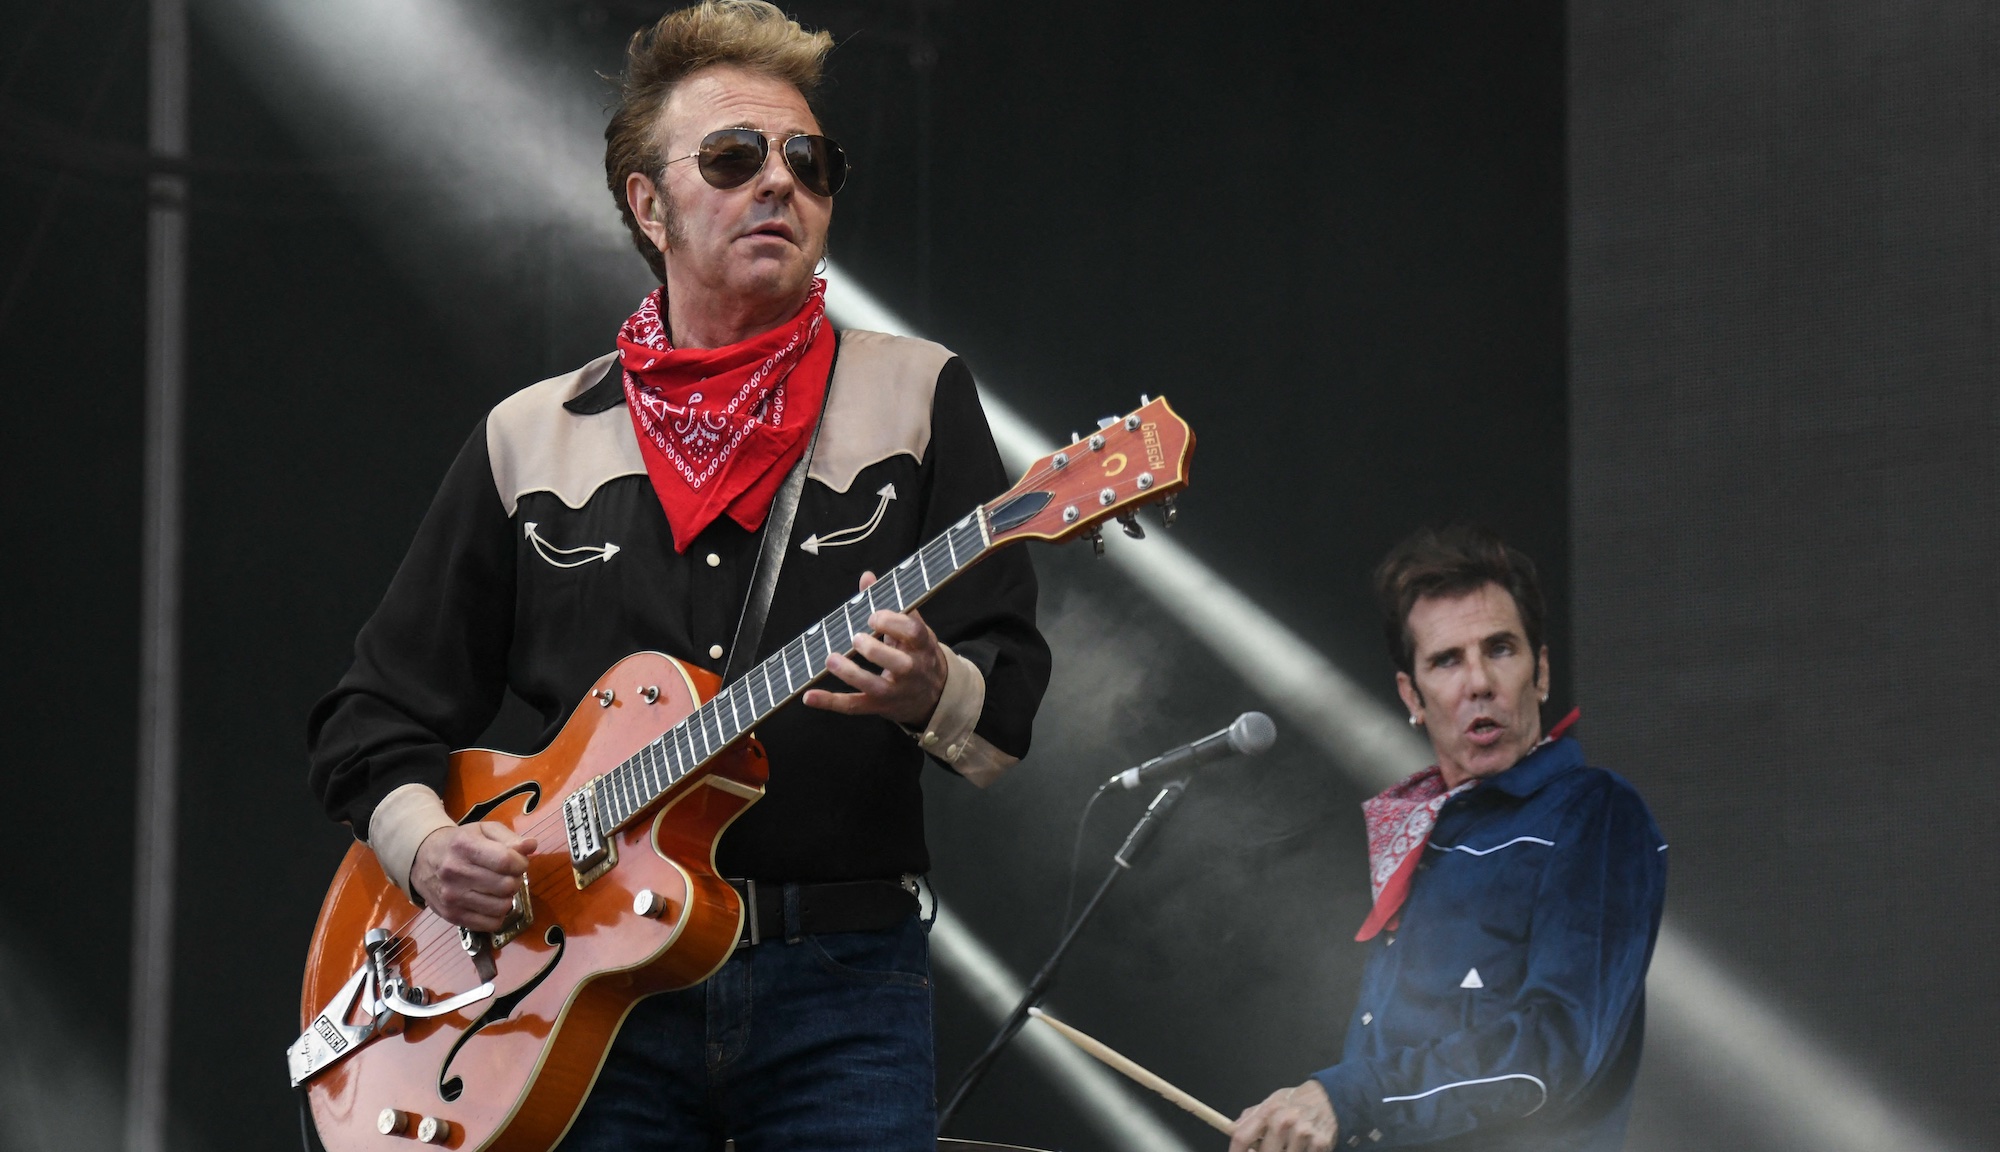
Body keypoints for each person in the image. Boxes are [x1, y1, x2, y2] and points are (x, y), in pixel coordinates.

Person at [304, 3, 1050, 1148]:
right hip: (578, 997)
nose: (780, 182)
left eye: (809, 160)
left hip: (839, 980)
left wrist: (930, 684)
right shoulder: (529, 435)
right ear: (647, 205)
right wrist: (427, 848)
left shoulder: (917, 393)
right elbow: (372, 715)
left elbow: (1005, 704)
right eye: (733, 157)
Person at [1230, 526, 1666, 1152]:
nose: (1479, 682)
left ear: (1541, 672)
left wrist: (1346, 1097)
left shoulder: (1594, 813)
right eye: (1446, 661)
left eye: (1500, 649)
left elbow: (1553, 1050)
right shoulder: (1424, 835)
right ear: (1412, 695)